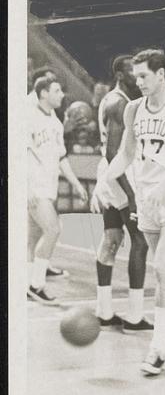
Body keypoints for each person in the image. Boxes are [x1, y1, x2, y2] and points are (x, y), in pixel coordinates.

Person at [93, 49, 165, 375]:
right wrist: (104, 180)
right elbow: (126, 153)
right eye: (136, 77)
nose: (138, 82)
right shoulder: (133, 110)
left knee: (160, 265)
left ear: (161, 74)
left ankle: (157, 348)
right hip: (147, 200)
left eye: (144, 76)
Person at [91, 55, 152, 332]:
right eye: (132, 72)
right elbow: (114, 152)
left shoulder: (110, 99)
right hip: (119, 177)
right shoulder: (119, 104)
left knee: (112, 237)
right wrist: (132, 193)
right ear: (119, 74)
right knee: (140, 241)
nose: (137, 77)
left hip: (109, 175)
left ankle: (104, 311)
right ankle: (135, 317)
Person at [28, 76, 88, 304]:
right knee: (53, 229)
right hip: (34, 188)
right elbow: (16, 155)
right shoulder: (27, 117)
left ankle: (26, 285)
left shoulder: (55, 122)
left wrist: (75, 184)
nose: (62, 95)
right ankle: (36, 285)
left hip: (48, 186)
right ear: (43, 93)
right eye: (56, 90)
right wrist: (26, 188)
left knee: (33, 238)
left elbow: (61, 157)